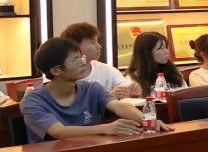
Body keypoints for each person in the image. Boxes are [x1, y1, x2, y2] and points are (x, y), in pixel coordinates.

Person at [21, 37, 164, 143]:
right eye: (75, 59)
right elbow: (59, 131)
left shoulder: (91, 88)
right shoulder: (32, 101)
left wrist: (148, 120)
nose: (83, 62)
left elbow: (118, 106)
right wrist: (106, 128)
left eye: (81, 57)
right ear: (56, 70)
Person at [59, 22, 140, 98]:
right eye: (92, 42)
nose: (99, 47)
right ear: (75, 46)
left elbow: (127, 90)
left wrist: (134, 91)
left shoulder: (106, 70)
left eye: (97, 42)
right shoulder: (63, 76)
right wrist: (106, 97)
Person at [123, 32, 186, 97]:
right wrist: (133, 95)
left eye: (166, 47)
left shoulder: (173, 72)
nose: (166, 52)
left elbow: (186, 94)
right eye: (161, 48)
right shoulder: (132, 79)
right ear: (147, 53)